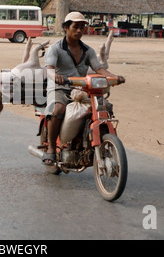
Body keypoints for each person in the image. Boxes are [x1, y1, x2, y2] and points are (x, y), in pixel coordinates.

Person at [42, 12, 125, 165]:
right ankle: (52, 148)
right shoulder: (55, 49)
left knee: (105, 108)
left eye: (82, 27)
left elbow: (99, 68)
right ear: (66, 28)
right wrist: (56, 77)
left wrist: (115, 77)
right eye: (75, 27)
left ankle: (101, 143)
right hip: (60, 88)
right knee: (58, 109)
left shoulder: (88, 51)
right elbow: (49, 68)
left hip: (81, 89)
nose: (79, 31)